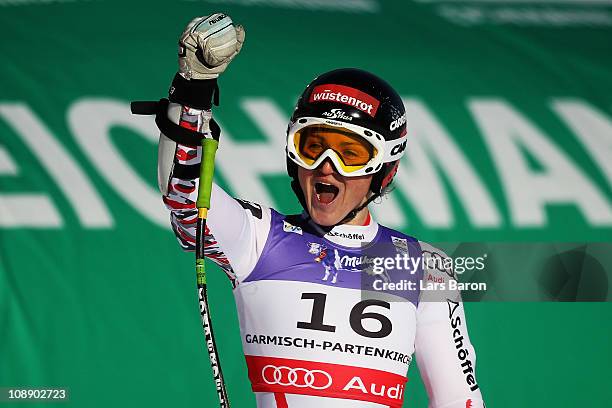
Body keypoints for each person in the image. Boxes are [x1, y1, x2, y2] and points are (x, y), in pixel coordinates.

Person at [154, 13, 485, 408]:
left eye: (350, 153)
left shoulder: (424, 267)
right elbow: (184, 193)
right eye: (313, 146)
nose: (328, 166)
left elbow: (459, 401)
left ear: (385, 167)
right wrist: (194, 88)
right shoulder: (260, 239)